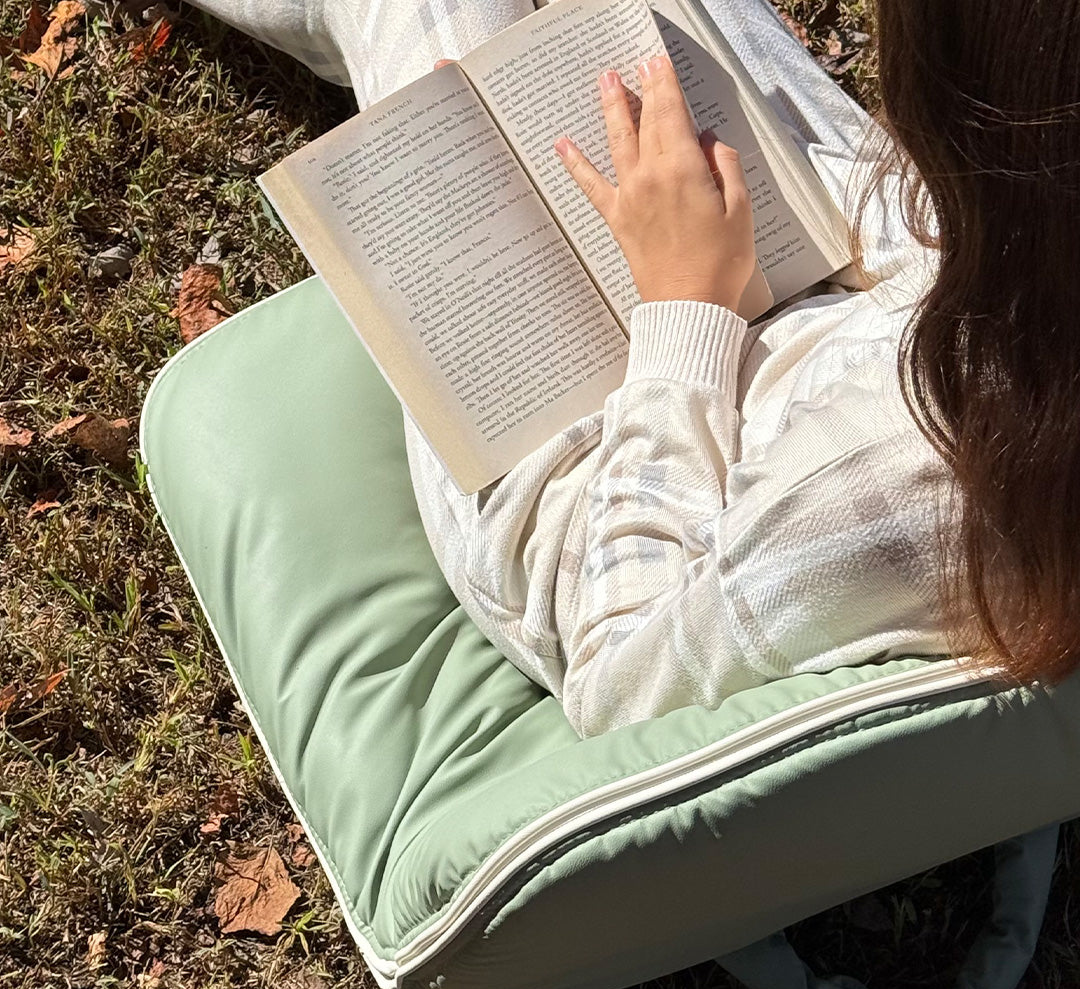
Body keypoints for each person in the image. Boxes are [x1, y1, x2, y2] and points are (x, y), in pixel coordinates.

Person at [192, 0, 1080, 736]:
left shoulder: (898, 478)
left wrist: (686, 304)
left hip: (618, 477)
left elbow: (622, 675)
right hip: (920, 292)